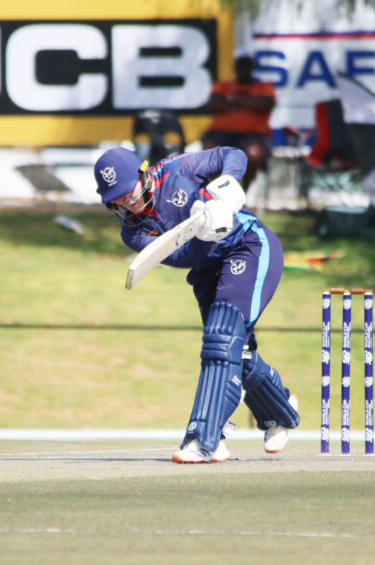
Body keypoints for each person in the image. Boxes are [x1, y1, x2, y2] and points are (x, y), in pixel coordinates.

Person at [93, 145, 300, 464]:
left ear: (143, 173)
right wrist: (203, 234)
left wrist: (229, 185)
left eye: (127, 191)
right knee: (233, 351)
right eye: (116, 198)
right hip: (206, 270)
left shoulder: (177, 170)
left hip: (248, 245)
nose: (126, 202)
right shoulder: (133, 233)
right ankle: (279, 409)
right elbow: (180, 257)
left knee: (222, 339)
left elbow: (231, 154)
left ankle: (205, 439)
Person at [201, 49, 276, 192]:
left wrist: (234, 101)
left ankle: (242, 193)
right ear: (234, 67)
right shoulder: (222, 85)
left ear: (253, 67)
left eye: (247, 65)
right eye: (240, 65)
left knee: (253, 153)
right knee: (210, 152)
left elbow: (266, 104)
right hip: (220, 134)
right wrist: (250, 103)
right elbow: (213, 104)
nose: (244, 69)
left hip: (254, 135)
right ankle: (218, 192)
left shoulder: (264, 87)